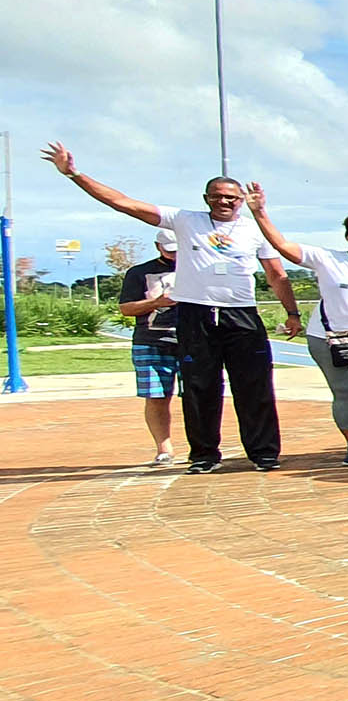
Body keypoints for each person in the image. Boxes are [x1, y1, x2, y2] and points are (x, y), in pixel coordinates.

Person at [42, 142, 303, 473]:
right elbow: (123, 203)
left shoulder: (255, 230)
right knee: (199, 388)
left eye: (231, 198)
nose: (224, 202)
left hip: (241, 315)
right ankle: (204, 455)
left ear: (241, 201)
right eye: (217, 196)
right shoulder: (183, 220)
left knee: (255, 386)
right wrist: (74, 173)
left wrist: (292, 313)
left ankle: (263, 452)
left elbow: (277, 275)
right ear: (206, 198)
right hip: (196, 315)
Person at [250, 194, 348, 466]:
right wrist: (259, 212)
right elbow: (282, 245)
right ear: (347, 236)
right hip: (329, 337)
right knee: (345, 391)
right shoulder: (326, 258)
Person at [116, 229, 181, 465]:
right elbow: (126, 308)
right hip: (151, 341)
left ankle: (203, 447)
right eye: (169, 250)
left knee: (199, 395)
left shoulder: (197, 269)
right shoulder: (139, 273)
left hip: (193, 341)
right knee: (156, 396)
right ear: (158, 246)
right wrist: (156, 302)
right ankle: (164, 448)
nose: (174, 255)